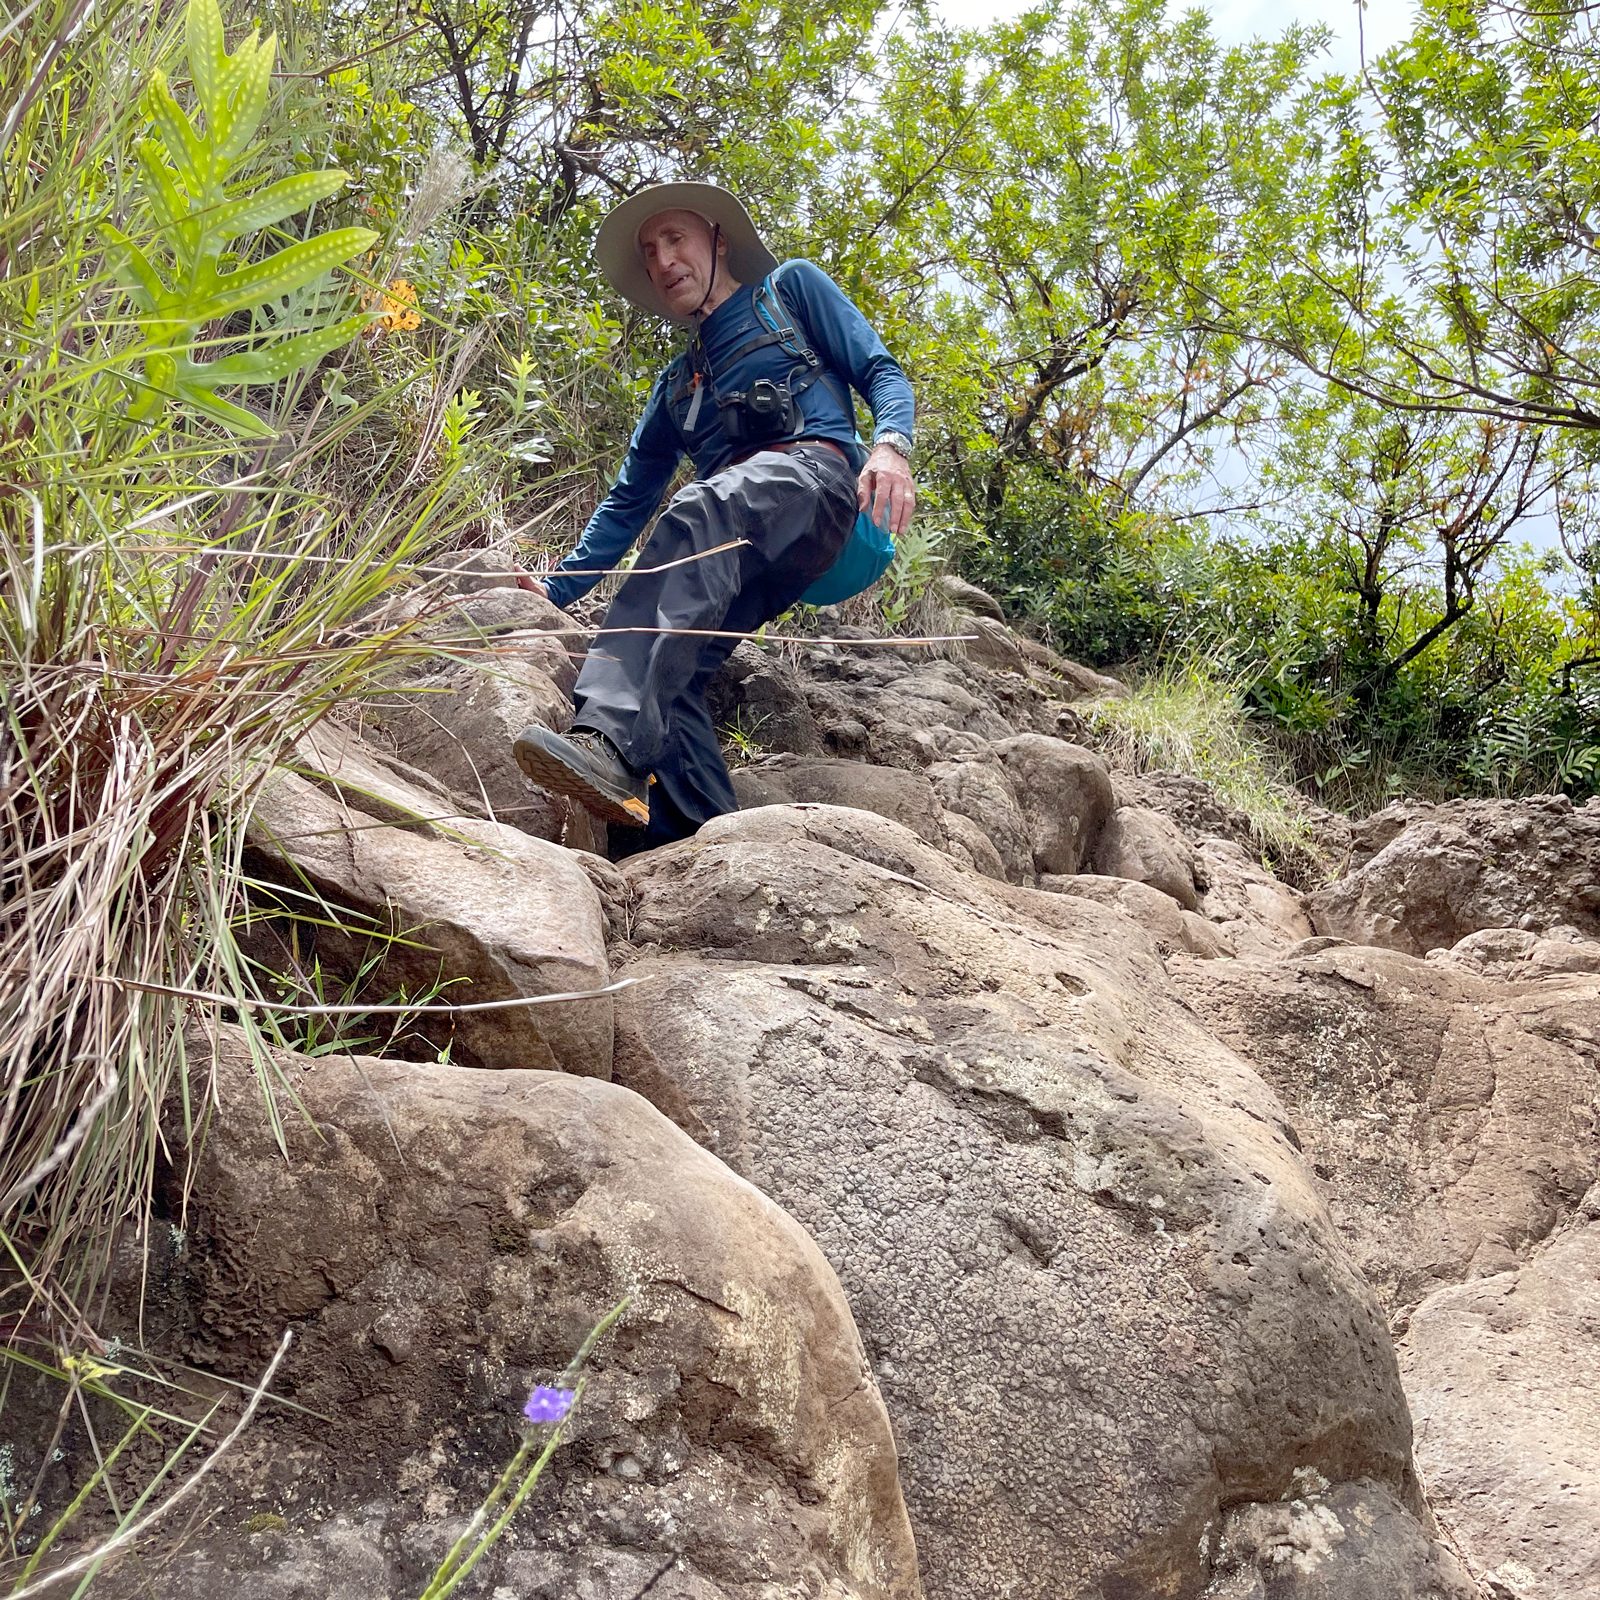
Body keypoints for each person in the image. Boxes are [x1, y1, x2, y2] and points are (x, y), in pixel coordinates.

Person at [512, 180, 916, 853]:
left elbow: (881, 371)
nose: (662, 259)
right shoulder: (675, 388)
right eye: (649, 251)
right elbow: (626, 503)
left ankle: (608, 739)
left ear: (718, 241)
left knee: (699, 508)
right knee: (680, 672)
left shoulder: (788, 292)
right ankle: (695, 843)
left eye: (676, 239)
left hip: (816, 486)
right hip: (751, 544)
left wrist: (891, 447)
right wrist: (555, 590)